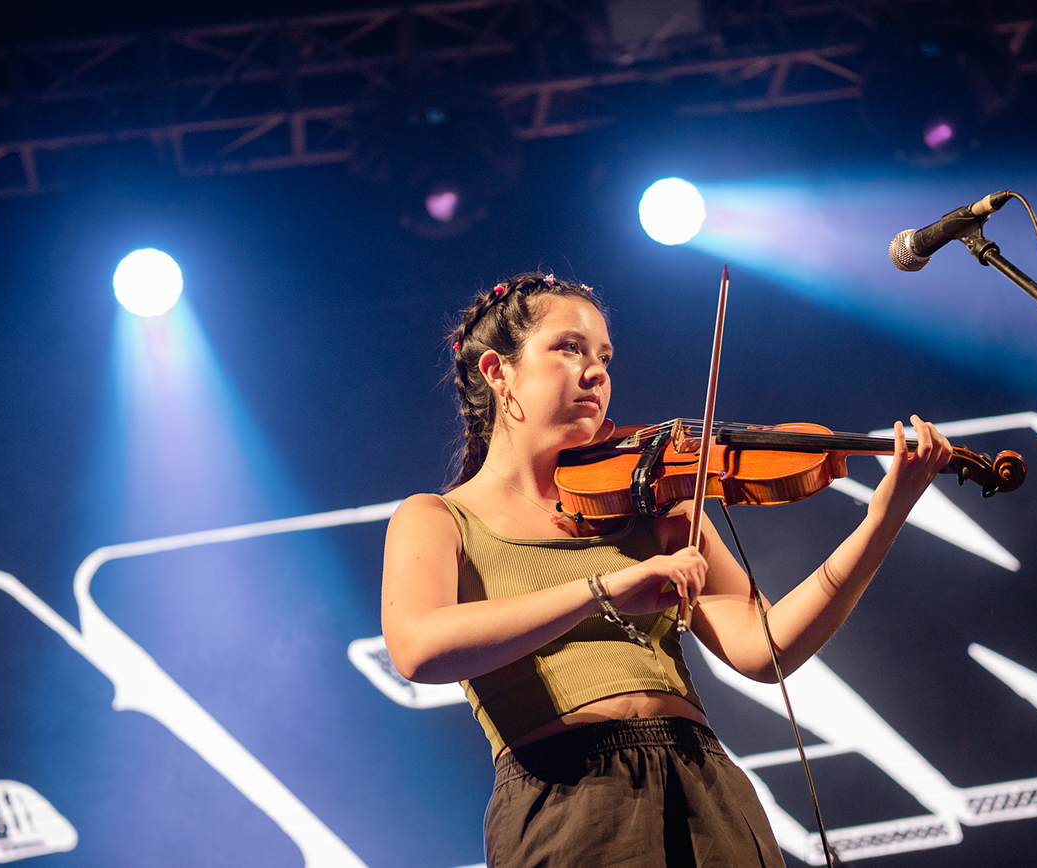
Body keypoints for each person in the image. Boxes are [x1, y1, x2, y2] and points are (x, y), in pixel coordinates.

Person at [381, 272, 952, 867]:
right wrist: (603, 590)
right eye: (569, 348)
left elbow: (765, 648)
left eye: (604, 355)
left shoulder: (652, 501)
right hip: (569, 800)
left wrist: (882, 519)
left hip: (703, 780)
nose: (597, 372)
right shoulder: (438, 517)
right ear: (499, 372)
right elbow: (420, 651)